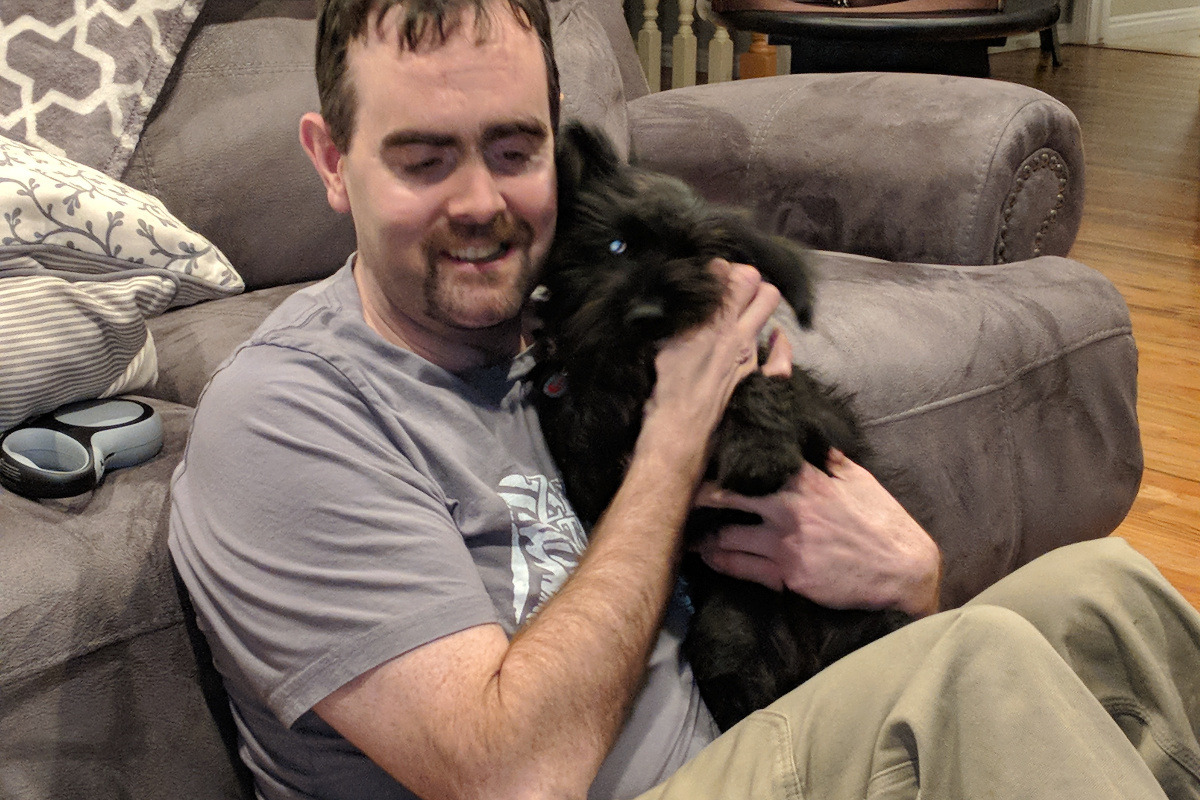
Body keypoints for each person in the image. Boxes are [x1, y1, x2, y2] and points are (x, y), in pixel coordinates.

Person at [168, 0, 1200, 798]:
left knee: (1100, 595)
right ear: (332, 161)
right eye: (424, 158)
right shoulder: (287, 416)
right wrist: (678, 429)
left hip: (747, 743)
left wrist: (908, 578)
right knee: (978, 671)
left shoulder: (564, 326)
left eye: (514, 151)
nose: (480, 202)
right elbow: (512, 776)